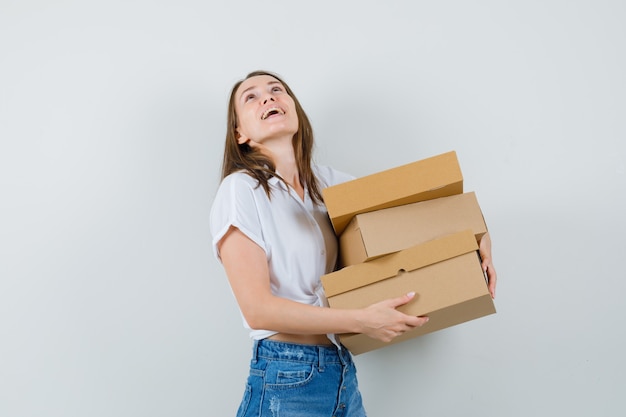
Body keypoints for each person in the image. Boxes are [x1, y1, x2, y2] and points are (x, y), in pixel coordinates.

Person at [210, 70, 498, 417]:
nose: (268, 97)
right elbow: (257, 309)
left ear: (295, 111)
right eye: (251, 97)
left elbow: (417, 214)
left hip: (340, 371)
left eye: (277, 90)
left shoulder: (329, 184)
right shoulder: (241, 190)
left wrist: (480, 238)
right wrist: (361, 320)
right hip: (285, 375)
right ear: (240, 134)